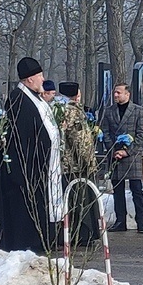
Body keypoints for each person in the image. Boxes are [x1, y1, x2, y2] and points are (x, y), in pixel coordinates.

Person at [0, 58, 62, 252]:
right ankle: (29, 242)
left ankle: (42, 239)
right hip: (27, 167)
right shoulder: (18, 99)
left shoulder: (35, 98)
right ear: (29, 79)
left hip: (42, 165)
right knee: (25, 207)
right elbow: (21, 136)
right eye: (40, 76)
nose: (43, 79)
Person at [101, 83, 143, 233]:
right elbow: (105, 132)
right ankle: (120, 220)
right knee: (118, 190)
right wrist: (114, 149)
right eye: (115, 93)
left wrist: (127, 151)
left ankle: (141, 221)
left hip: (132, 156)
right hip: (115, 155)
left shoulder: (138, 111)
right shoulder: (108, 111)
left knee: (136, 190)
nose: (115, 95)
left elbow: (141, 134)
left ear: (127, 95)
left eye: (118, 93)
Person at [55, 82, 98, 245]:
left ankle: (69, 233)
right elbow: (80, 141)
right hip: (76, 165)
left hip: (62, 165)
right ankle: (82, 235)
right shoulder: (73, 111)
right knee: (81, 202)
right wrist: (89, 162)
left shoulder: (56, 108)